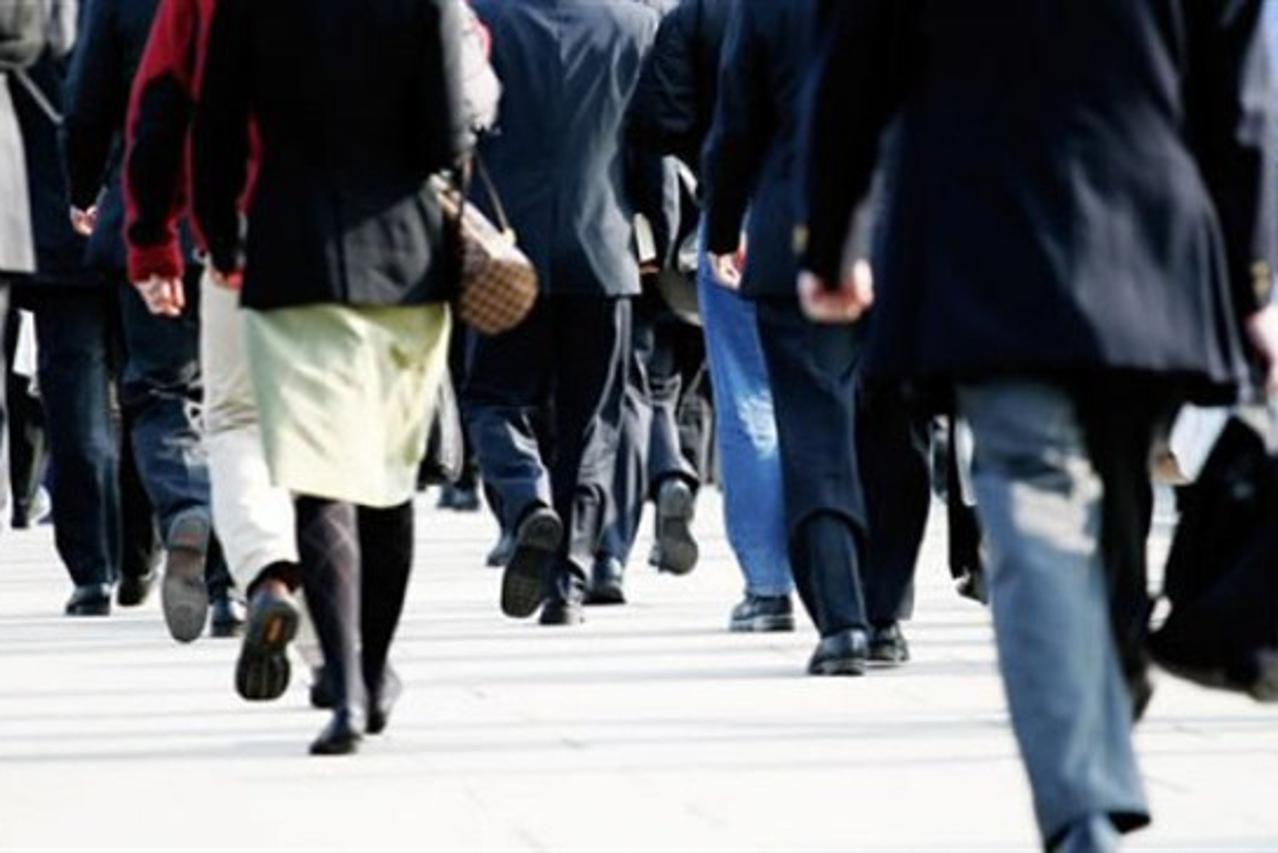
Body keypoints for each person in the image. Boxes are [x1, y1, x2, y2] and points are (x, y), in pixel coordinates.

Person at [798, 0, 1278, 847]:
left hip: (984, 235)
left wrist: (831, 237)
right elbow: (1239, 87)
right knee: (1107, 512)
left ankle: (1088, 760)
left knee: (1040, 514)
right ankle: (1088, 772)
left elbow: (853, 59)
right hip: (1148, 238)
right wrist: (1254, 279)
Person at [193, 0, 471, 755]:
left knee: (318, 478)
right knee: (389, 478)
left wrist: (221, 236)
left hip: (292, 253)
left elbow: (216, 123)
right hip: (403, 257)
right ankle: (375, 673)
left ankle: (343, 689)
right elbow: (448, 133)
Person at [465, 0, 664, 627]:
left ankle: (525, 498)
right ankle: (570, 582)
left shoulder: (481, 17)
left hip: (503, 252)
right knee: (593, 423)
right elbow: (651, 146)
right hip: (602, 249)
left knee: (491, 397)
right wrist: (658, 237)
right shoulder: (633, 25)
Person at [61, 0, 239, 640]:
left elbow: (87, 103)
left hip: (153, 215)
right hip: (248, 224)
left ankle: (188, 504)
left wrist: (83, 188)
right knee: (239, 406)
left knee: (161, 390)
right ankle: (231, 586)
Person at [629, 0, 797, 633]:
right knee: (842, 401)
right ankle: (861, 590)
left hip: (734, 215)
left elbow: (659, 119)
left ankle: (769, 586)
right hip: (833, 213)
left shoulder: (699, 13)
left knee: (750, 403)